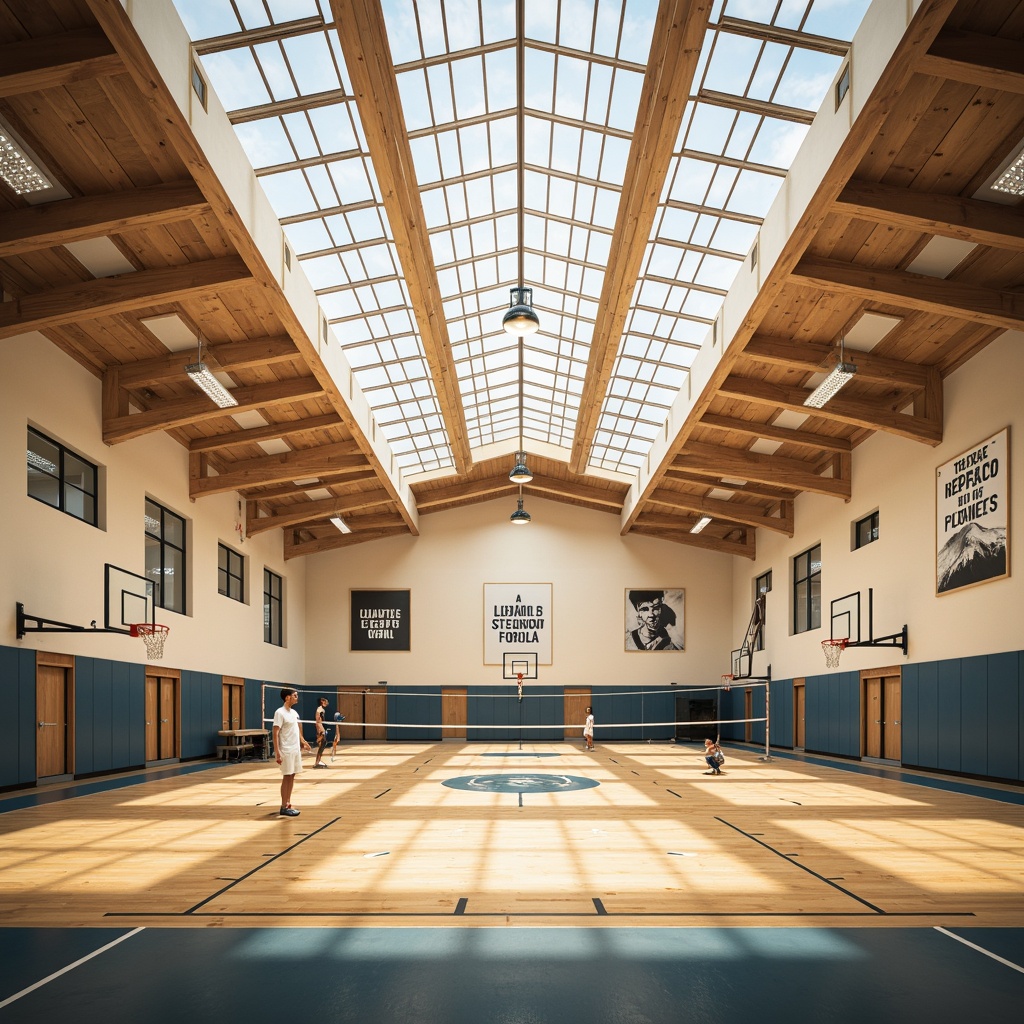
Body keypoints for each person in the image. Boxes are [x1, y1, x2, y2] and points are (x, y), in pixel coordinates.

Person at [273, 688, 311, 816]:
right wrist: (277, 751)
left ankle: (288, 803)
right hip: (286, 750)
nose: (297, 698)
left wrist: (303, 741)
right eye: (294, 696)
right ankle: (283, 806)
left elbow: (296, 730)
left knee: (292, 775)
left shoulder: (294, 713)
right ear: (287, 698)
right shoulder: (280, 713)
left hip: (295, 750)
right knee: (287, 776)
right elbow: (275, 733)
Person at [313, 696, 329, 768]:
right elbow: (318, 721)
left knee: (322, 746)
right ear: (322, 701)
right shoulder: (320, 710)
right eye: (325, 701)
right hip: (320, 728)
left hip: (321, 727)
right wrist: (321, 731)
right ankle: (317, 762)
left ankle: (318, 761)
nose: (327, 703)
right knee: (321, 745)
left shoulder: (321, 709)